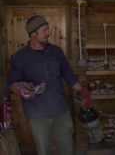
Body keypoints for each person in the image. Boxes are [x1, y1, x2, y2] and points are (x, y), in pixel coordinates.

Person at [7, 15, 90, 155]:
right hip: (38, 115)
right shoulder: (19, 57)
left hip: (61, 111)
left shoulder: (56, 52)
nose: (48, 33)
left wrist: (83, 92)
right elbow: (12, 84)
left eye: (48, 29)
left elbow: (68, 75)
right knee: (43, 151)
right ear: (33, 34)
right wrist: (23, 89)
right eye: (45, 30)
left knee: (67, 150)